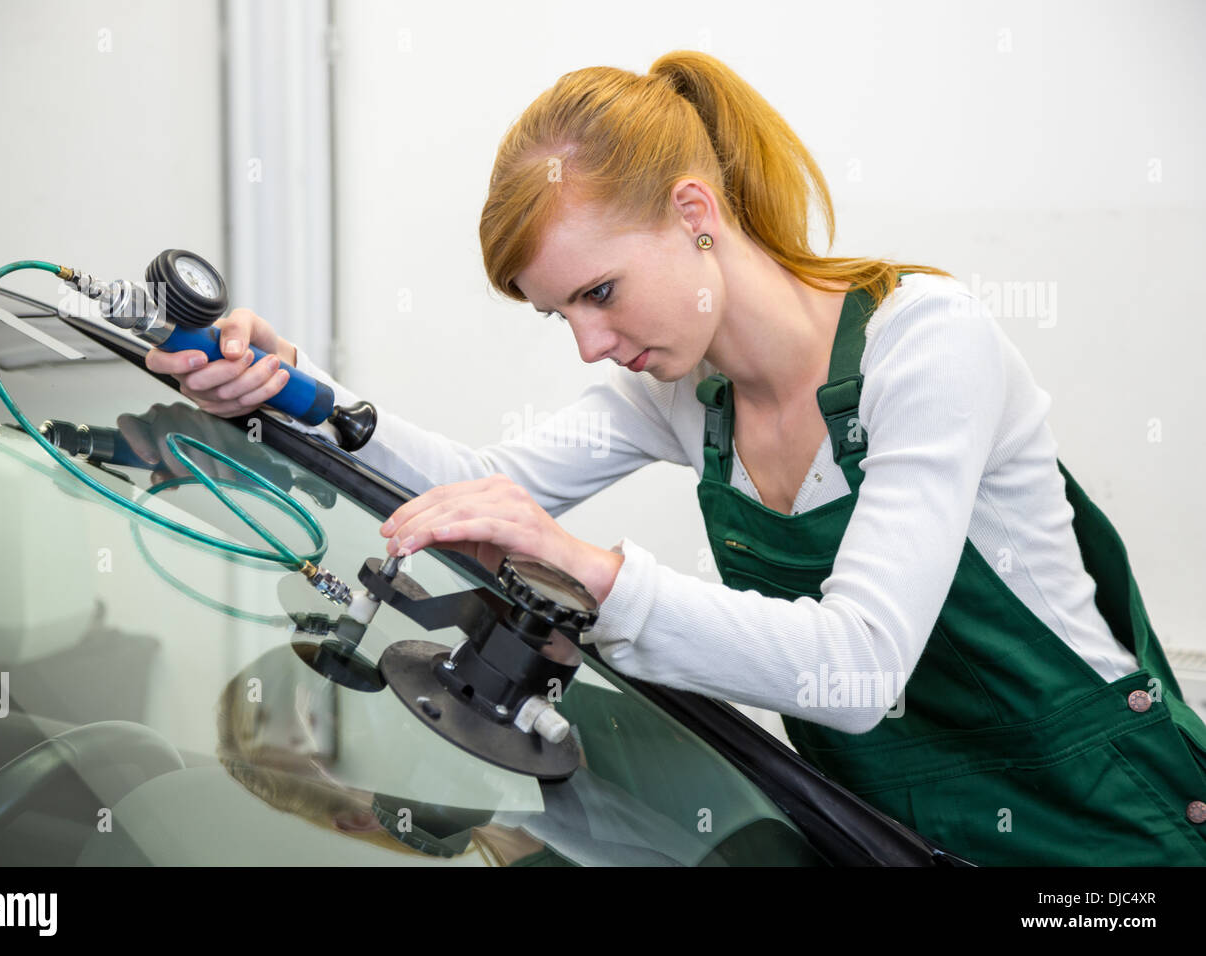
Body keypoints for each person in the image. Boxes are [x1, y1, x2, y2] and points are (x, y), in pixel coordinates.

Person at [144, 50, 1206, 866]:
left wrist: (596, 574)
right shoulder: (680, 393)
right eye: (560, 312)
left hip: (1101, 833)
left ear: (694, 212)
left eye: (598, 292)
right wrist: (305, 396)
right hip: (887, 832)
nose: (590, 342)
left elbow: (860, 663)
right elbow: (480, 484)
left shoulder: (927, 346)